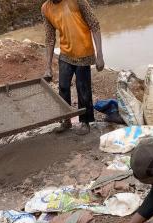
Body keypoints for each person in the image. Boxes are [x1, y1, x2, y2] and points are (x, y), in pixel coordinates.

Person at [42, 0, 105, 135]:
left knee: (83, 88)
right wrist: (48, 67)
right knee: (63, 87)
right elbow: (49, 38)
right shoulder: (46, 8)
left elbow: (94, 25)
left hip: (84, 52)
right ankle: (66, 120)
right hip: (65, 53)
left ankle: (85, 121)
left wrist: (100, 55)